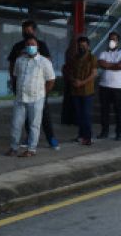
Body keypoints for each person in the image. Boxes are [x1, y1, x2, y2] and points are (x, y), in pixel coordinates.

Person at [6, 20, 58, 150]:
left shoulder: (41, 45)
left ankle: (51, 138)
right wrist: (13, 82)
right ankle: (28, 138)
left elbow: (47, 65)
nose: (26, 33)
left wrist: (44, 91)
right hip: (22, 88)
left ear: (34, 31)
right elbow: (12, 65)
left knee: (42, 115)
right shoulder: (18, 46)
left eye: (29, 30)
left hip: (38, 89)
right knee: (21, 118)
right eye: (24, 30)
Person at [63, 35, 97, 145]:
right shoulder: (75, 58)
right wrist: (74, 80)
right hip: (76, 91)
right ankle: (81, 135)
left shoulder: (92, 58)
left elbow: (93, 74)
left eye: (83, 46)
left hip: (87, 91)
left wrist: (82, 82)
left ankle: (88, 137)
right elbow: (70, 72)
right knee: (79, 115)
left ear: (88, 46)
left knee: (86, 115)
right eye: (80, 45)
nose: (81, 47)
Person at [97, 31, 121, 141]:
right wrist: (114, 65)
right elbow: (100, 63)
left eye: (114, 39)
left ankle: (119, 133)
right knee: (104, 111)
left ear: (118, 41)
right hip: (104, 86)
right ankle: (104, 131)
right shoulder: (104, 52)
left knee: (118, 110)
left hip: (117, 87)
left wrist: (108, 65)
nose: (112, 41)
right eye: (110, 39)